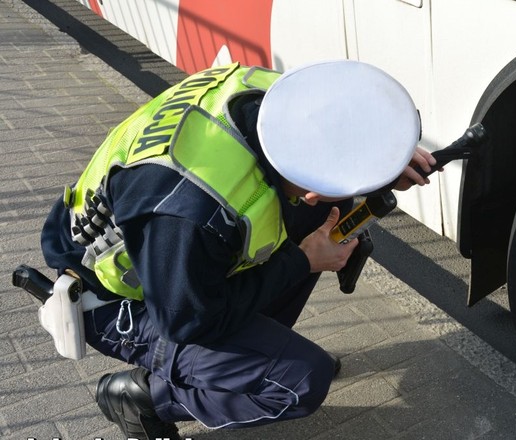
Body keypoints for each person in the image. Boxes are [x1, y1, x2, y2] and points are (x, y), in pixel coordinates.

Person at [39, 60, 436, 439]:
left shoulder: (279, 100)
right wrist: (302, 261)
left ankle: (251, 357)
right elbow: (186, 322)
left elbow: (336, 134)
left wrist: (383, 162)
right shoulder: (192, 212)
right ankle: (145, 398)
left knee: (327, 219)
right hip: (121, 303)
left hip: (175, 262)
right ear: (313, 188)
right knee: (301, 381)